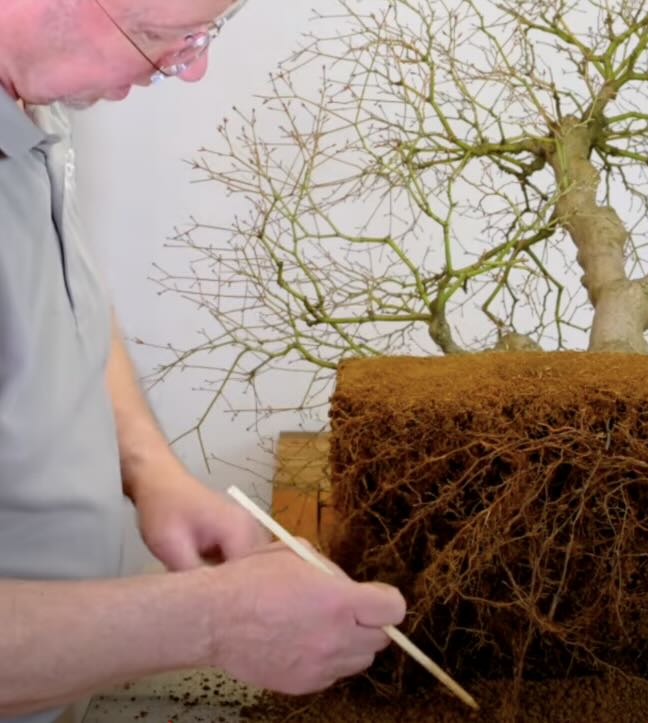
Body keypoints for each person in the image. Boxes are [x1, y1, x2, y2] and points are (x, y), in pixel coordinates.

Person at [0, 1, 408, 721]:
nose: (190, 70)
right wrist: (213, 622)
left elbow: (58, 301)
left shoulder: (34, 98)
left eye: (200, 35)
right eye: (161, 36)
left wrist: (150, 468)